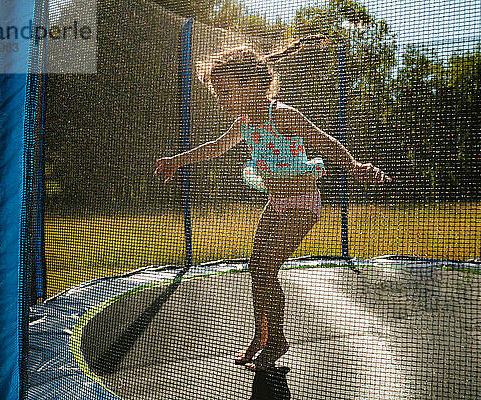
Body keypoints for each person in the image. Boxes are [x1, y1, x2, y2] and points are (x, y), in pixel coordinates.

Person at [154, 36, 391, 372]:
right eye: (216, 92)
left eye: (224, 90)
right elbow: (214, 147)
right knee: (257, 270)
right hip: (277, 201)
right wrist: (178, 161)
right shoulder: (244, 124)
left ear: (250, 84)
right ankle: (262, 335)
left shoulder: (282, 115)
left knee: (265, 270)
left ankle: (276, 338)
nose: (219, 99)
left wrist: (355, 167)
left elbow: (326, 141)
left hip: (301, 202)